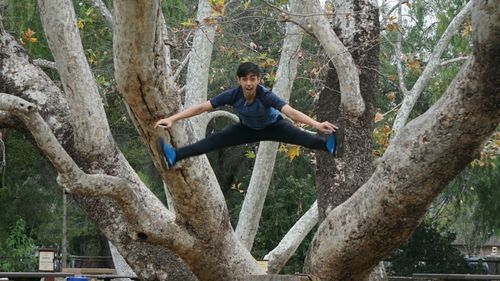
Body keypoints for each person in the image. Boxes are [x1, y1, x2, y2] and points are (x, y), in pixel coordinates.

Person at [155, 61, 338, 168]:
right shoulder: (233, 95)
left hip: (274, 126)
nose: (249, 83)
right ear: (239, 80)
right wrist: (172, 119)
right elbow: (202, 108)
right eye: (245, 79)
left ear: (258, 79)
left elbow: (289, 111)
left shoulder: (265, 95)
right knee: (212, 141)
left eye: (252, 79)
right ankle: (175, 156)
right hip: (246, 129)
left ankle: (329, 145)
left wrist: (316, 124)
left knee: (303, 138)